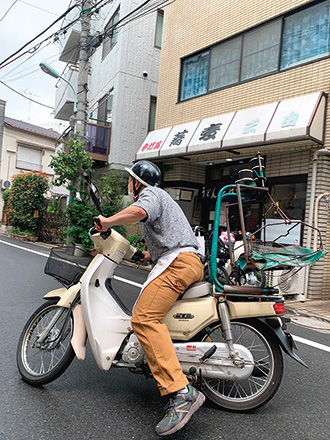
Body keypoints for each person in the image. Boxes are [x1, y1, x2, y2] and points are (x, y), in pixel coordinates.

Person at [94, 160, 205, 437]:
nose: (128, 185)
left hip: (178, 262)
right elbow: (166, 239)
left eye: (129, 181)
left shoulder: (151, 195)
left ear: (137, 182)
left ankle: (182, 392)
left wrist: (107, 221)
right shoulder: (161, 199)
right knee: (156, 314)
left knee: (143, 319)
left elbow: (140, 212)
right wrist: (144, 255)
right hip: (184, 260)